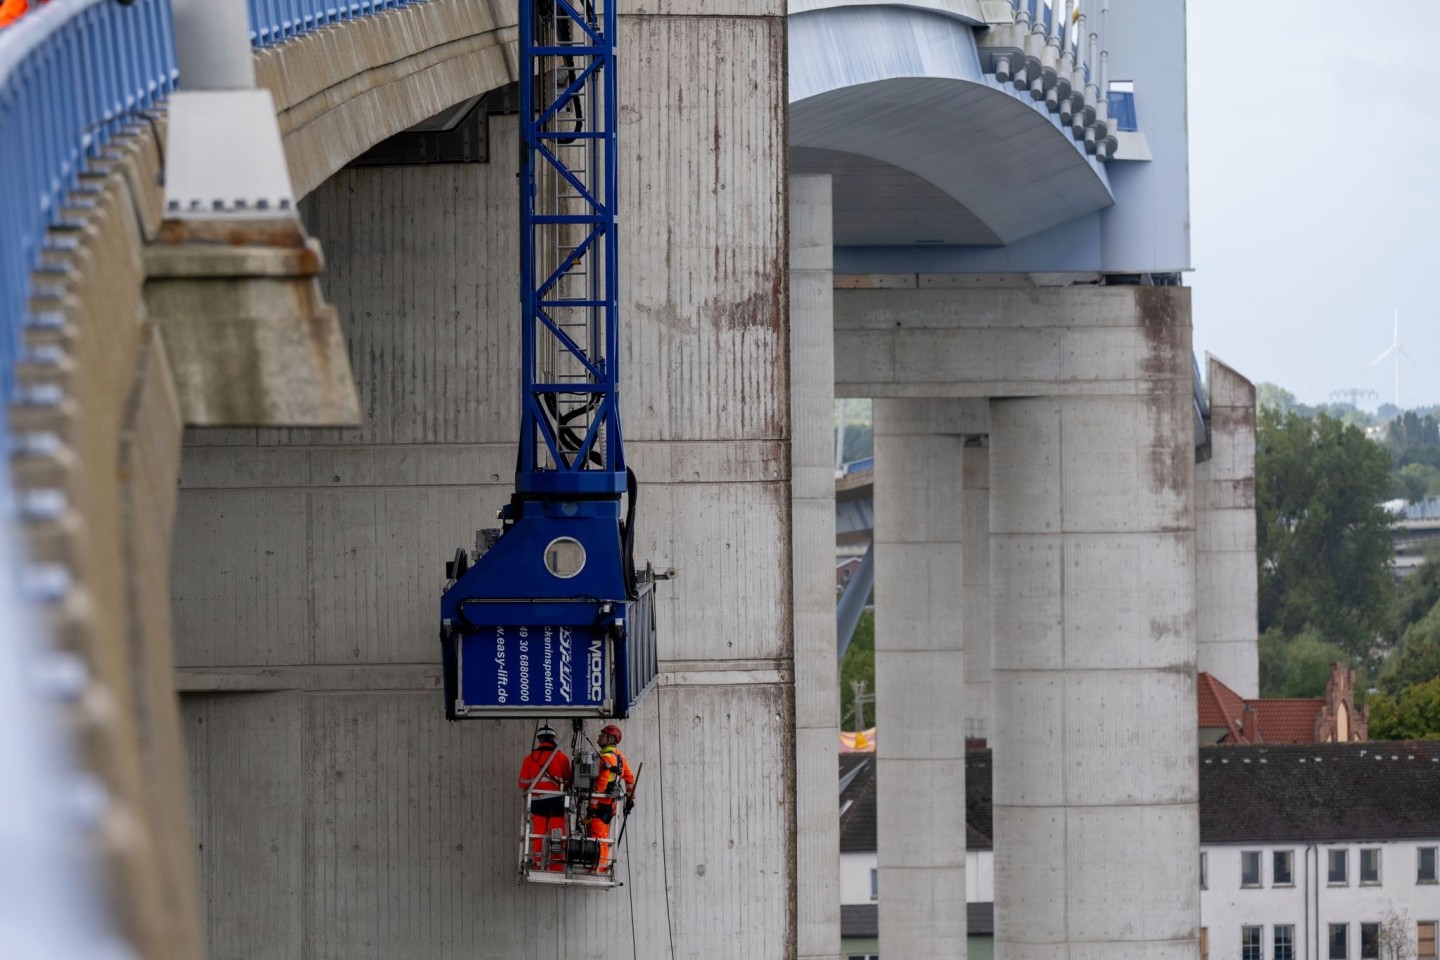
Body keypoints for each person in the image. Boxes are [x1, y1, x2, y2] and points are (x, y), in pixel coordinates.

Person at [518, 724, 572, 872]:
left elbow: (522, 783)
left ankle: (537, 862)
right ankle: (556, 865)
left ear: (539, 739)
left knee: (539, 835)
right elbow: (568, 782)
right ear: (553, 738)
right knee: (557, 834)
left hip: (537, 804)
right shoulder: (562, 758)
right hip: (557, 803)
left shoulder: (529, 759)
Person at [585, 723, 635, 872]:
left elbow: (600, 785)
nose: (598, 737)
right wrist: (630, 799)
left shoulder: (606, 758)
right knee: (603, 837)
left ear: (610, 738)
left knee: (597, 837)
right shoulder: (620, 757)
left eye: (602, 735)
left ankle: (598, 869)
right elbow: (630, 779)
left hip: (600, 805)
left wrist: (591, 806)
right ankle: (600, 867)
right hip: (609, 806)